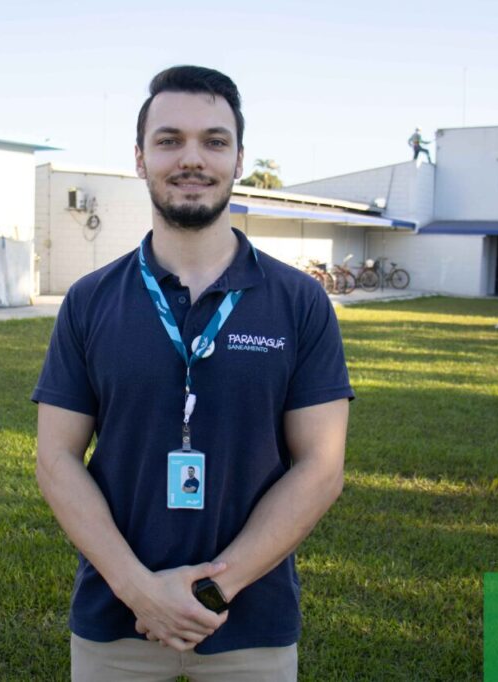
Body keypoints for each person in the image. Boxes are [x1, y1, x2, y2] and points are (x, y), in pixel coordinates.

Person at [33, 64, 353, 681]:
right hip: (115, 619)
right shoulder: (89, 300)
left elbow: (322, 468)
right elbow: (55, 461)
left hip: (251, 624)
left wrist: (211, 592)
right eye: (169, 139)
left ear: (237, 160)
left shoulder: (299, 301)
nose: (191, 158)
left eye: (213, 140)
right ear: (138, 157)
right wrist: (139, 590)